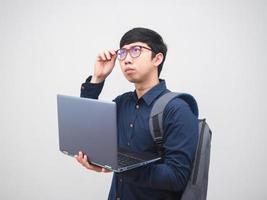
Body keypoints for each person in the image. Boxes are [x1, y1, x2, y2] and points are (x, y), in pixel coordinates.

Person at [74, 27, 199, 200]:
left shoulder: (177, 109)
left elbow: (176, 177)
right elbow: (88, 132)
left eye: (136, 51)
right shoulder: (121, 103)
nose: (127, 60)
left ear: (157, 58)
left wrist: (121, 166)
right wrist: (98, 78)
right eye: (122, 53)